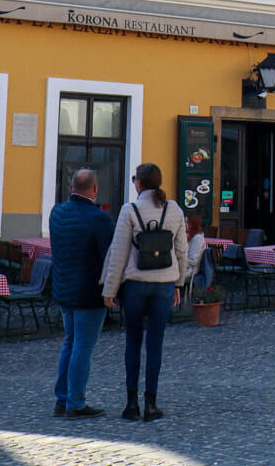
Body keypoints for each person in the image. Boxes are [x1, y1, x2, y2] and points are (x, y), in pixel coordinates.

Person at [102, 162, 187, 423]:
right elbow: (182, 252)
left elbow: (118, 254)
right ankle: (151, 404)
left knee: (133, 342)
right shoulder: (174, 209)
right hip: (164, 285)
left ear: (138, 183)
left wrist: (110, 290)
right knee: (156, 344)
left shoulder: (130, 210)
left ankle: (131, 404)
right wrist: (179, 284)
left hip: (136, 285)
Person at [48, 168, 114, 419]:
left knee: (70, 343)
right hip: (88, 291)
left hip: (63, 288)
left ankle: (62, 399)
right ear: (94, 189)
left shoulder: (57, 212)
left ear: (72, 186)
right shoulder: (99, 218)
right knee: (83, 347)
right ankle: (75, 402)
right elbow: (110, 256)